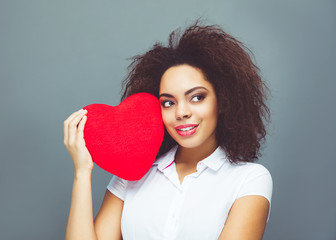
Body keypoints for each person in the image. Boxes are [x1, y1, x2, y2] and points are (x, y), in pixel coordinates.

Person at [64, 22, 272, 240]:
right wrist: (82, 172)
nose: (181, 112)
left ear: (222, 101)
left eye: (197, 97)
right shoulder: (133, 174)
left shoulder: (249, 179)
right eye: (168, 102)